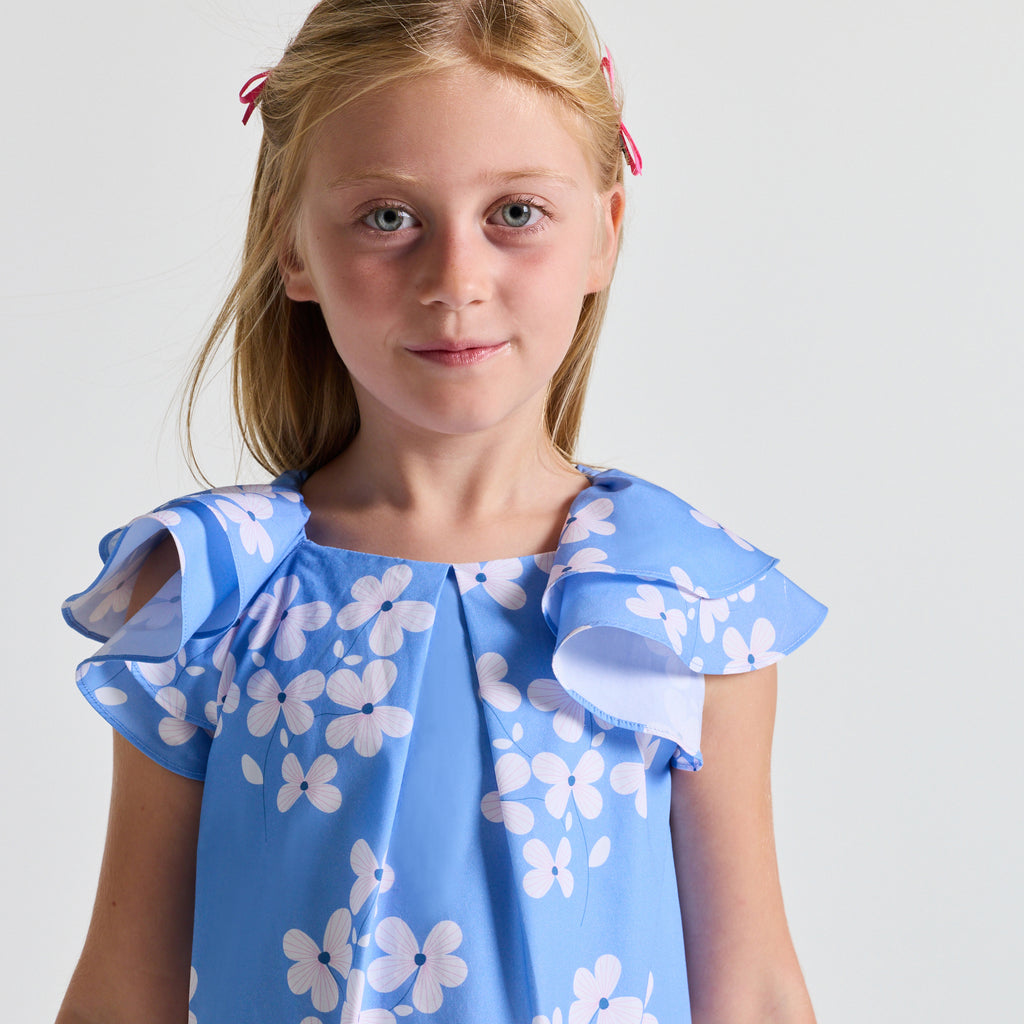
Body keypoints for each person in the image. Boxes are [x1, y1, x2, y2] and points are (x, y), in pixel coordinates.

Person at [57, 2, 826, 1021]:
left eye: (516, 212)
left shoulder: (677, 599)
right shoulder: (213, 590)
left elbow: (754, 990)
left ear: (604, 233)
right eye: (387, 217)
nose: (455, 279)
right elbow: (124, 987)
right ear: (294, 246)